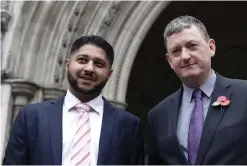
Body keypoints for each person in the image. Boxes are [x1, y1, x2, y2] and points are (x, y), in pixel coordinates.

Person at [147, 15, 247, 165]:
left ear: (211, 47)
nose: (185, 56)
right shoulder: (158, 115)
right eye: (176, 51)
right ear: (169, 61)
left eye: (192, 45)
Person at [3, 35, 145, 165]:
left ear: (109, 74)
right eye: (82, 60)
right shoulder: (32, 117)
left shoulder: (129, 125)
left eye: (99, 64)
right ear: (67, 64)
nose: (89, 68)